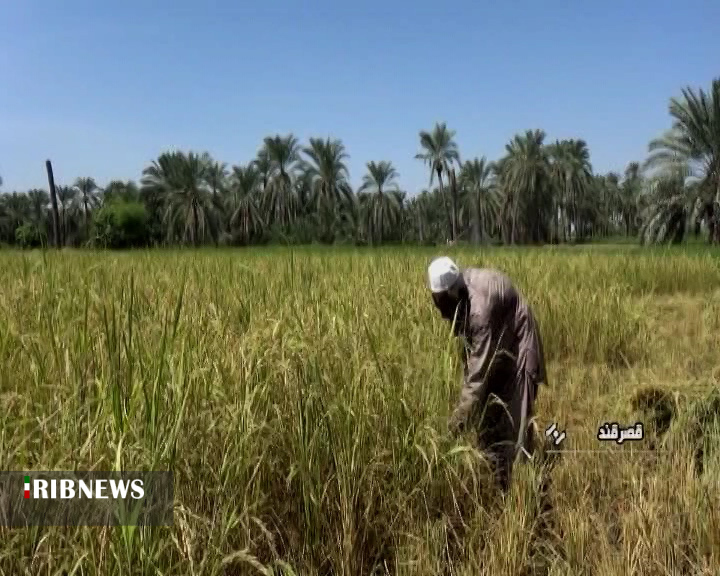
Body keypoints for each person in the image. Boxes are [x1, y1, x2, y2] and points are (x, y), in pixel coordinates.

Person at [427, 256, 547, 491]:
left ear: (451, 294)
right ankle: (498, 474)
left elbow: (476, 380)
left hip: (519, 341)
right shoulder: (462, 288)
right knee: (489, 416)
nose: (442, 315)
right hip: (500, 336)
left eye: (442, 305)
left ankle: (527, 490)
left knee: (518, 424)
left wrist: (453, 428)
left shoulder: (479, 311)